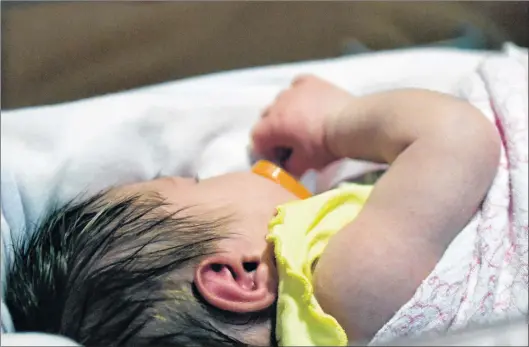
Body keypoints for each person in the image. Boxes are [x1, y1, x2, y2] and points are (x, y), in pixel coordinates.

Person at [5, 75, 501, 346]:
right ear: (237, 277)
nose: (222, 171)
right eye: (195, 183)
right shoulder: (344, 290)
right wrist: (335, 123)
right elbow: (459, 140)